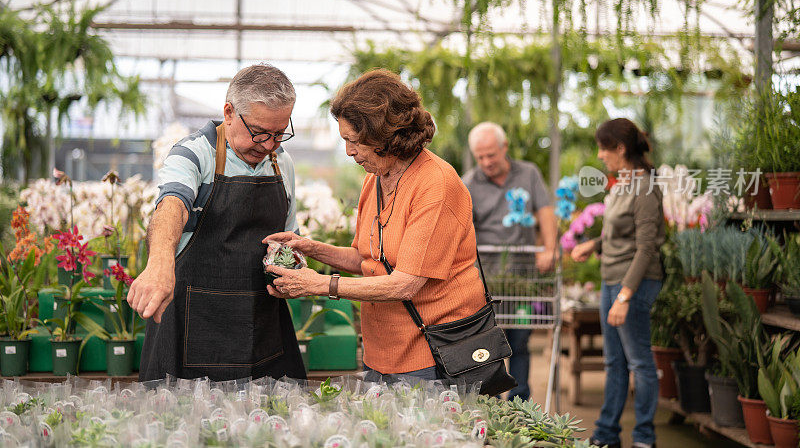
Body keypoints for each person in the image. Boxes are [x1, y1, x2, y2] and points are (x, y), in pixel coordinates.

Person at [264, 69, 487, 381]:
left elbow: (405, 284)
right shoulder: (376, 178)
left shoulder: (435, 183)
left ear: (385, 136)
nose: (349, 151)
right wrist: (310, 247)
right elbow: (365, 259)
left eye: (353, 141)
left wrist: (319, 285)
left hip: (432, 352)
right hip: (381, 351)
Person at [129, 63, 306, 382]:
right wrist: (159, 264)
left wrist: (292, 272)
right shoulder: (194, 155)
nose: (268, 146)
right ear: (228, 112)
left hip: (261, 329)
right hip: (191, 330)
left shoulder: (283, 164)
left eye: (279, 134)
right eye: (260, 133)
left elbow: (287, 239)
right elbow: (172, 204)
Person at [571, 118, 665, 448]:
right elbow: (618, 233)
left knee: (640, 362)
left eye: (603, 148)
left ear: (620, 149)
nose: (599, 155)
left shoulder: (645, 187)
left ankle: (644, 438)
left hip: (635, 283)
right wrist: (593, 244)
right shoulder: (623, 183)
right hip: (612, 279)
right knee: (615, 363)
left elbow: (646, 246)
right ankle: (607, 433)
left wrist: (626, 296)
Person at [462, 122, 557, 400]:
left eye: (491, 154)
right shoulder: (468, 183)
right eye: (480, 157)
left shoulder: (528, 173)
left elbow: (546, 210)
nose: (486, 162)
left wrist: (548, 248)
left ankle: (520, 404)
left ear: (504, 148)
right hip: (487, 280)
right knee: (488, 346)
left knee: (520, 342)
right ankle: (492, 403)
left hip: (523, 277)